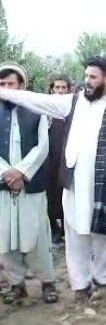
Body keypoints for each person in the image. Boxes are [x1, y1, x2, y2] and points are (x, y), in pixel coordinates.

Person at [0, 55, 106, 303]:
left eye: (93, 77)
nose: (87, 81)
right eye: (86, 76)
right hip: (76, 182)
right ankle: (80, 285)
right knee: (75, 233)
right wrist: (7, 93)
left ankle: (102, 281)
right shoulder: (73, 102)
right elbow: (36, 100)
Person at [0, 62, 58, 305]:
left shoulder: (37, 109)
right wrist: (6, 173)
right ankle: (17, 284)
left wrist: (21, 173)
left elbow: (42, 147)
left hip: (30, 184)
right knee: (5, 237)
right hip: (4, 184)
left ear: (21, 85)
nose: (5, 88)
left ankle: (47, 283)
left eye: (10, 84)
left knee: (37, 235)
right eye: (1, 84)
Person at [47, 74, 73, 244]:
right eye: (57, 87)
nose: (60, 91)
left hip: (67, 159)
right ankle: (53, 228)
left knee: (66, 192)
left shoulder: (73, 109)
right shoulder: (44, 109)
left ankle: (66, 227)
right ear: (51, 89)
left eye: (64, 87)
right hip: (49, 159)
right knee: (50, 194)